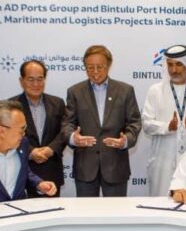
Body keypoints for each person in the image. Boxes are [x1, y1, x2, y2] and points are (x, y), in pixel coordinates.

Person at [61, 45, 142, 197]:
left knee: (116, 211)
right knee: (86, 211)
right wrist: (73, 138)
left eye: (100, 67)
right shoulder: (75, 92)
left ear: (109, 65)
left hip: (116, 165)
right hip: (85, 166)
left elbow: (134, 122)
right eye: (90, 67)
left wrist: (125, 140)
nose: (95, 72)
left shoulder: (125, 91)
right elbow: (67, 123)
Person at [142, 45, 186, 196]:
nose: (174, 70)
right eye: (170, 65)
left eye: (179, 64)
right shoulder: (156, 91)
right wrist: (167, 127)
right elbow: (146, 124)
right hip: (163, 160)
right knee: (160, 202)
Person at [10, 59, 66, 197]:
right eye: (30, 79)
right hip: (22, 171)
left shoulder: (58, 103)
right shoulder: (11, 106)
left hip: (51, 172)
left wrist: (51, 149)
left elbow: (64, 131)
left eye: (40, 79)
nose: (36, 84)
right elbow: (10, 135)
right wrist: (31, 151)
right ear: (21, 81)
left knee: (54, 210)